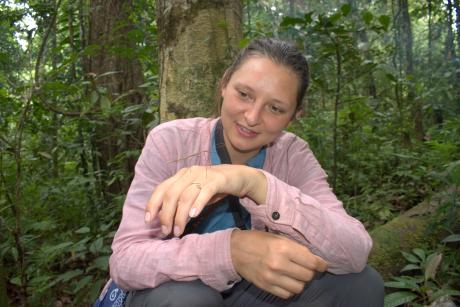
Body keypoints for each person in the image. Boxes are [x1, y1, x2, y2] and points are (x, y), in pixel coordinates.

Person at [108, 37, 384, 306]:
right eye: (244, 94)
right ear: (224, 84)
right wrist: (230, 252)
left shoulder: (292, 155)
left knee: (361, 285)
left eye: (275, 108)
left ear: (295, 114)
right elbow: (126, 259)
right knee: (187, 299)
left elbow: (354, 251)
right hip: (175, 292)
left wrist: (255, 182)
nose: (252, 117)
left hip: (253, 293)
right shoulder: (171, 142)